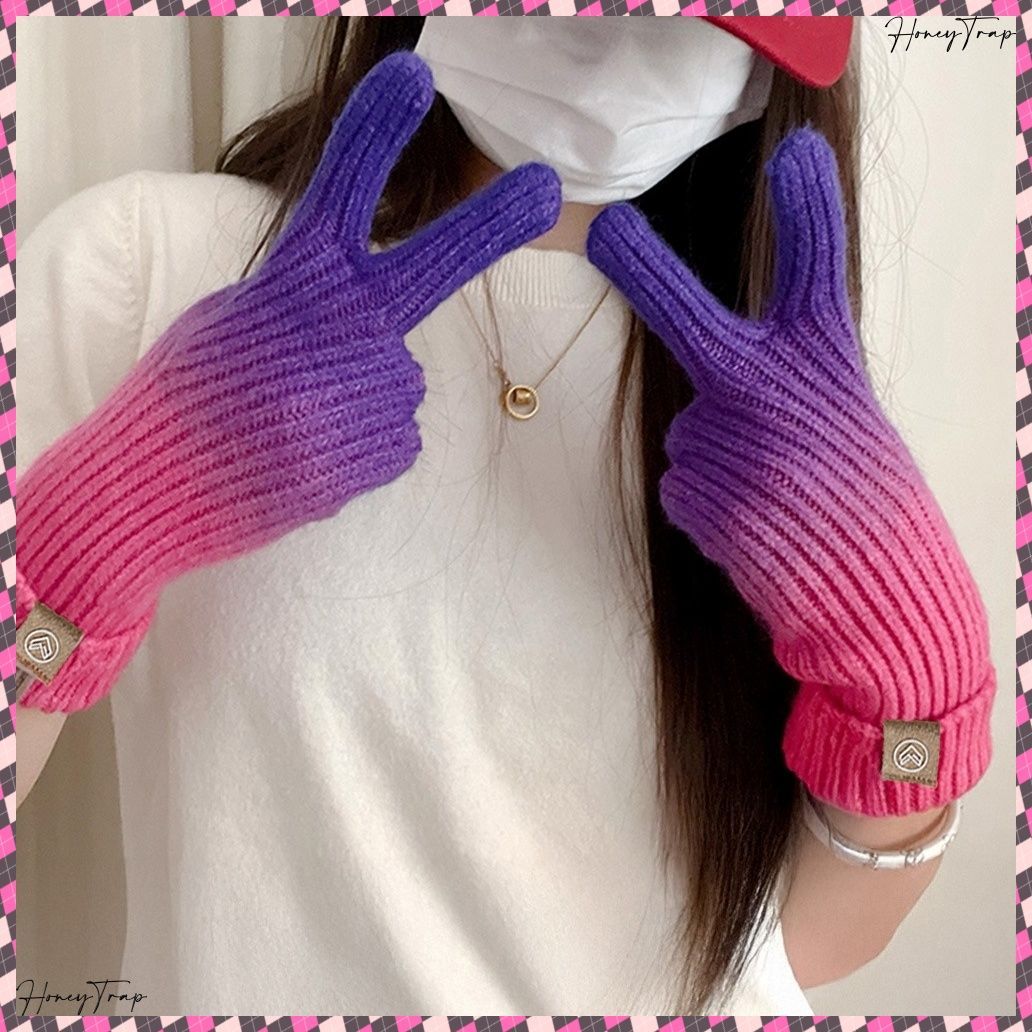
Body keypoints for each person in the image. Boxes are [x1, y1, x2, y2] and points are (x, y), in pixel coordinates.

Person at [16, 17, 996, 1016]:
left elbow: (802, 946)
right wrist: (100, 524)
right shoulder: (145, 267)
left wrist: (913, 698)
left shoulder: (771, 380)